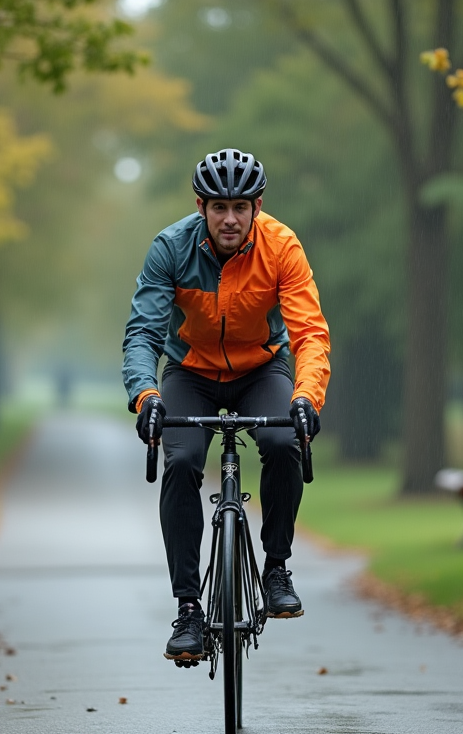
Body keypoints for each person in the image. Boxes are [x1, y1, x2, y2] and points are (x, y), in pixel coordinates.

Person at [122, 148, 331, 664]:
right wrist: (145, 395)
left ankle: (276, 566)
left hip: (262, 369)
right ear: (201, 207)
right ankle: (189, 608)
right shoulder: (170, 248)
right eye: (219, 208)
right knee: (183, 461)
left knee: (284, 441)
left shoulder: (282, 247)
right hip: (190, 372)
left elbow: (309, 333)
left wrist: (306, 397)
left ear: (258, 206)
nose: (230, 219)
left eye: (241, 206)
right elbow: (143, 333)